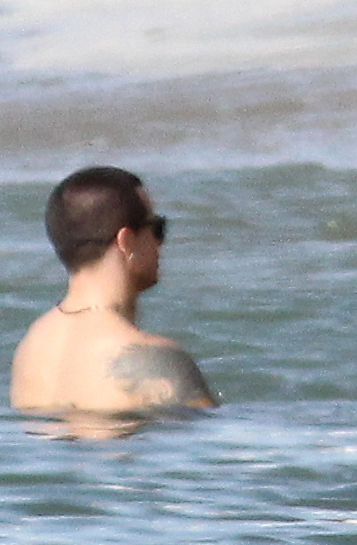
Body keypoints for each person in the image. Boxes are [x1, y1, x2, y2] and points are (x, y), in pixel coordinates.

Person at [11, 166, 217, 415]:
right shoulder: (154, 359)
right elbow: (210, 435)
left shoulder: (32, 345)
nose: (160, 243)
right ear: (126, 241)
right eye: (157, 228)